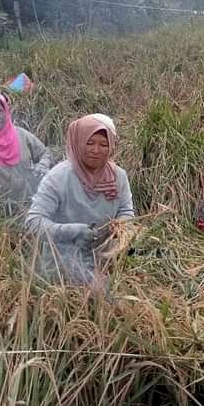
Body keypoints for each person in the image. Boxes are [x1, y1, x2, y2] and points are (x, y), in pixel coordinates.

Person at [25, 115, 134, 290]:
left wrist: (120, 228)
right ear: (78, 141)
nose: (96, 150)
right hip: (62, 262)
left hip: (105, 258)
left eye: (104, 145)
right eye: (90, 143)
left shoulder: (118, 176)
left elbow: (126, 212)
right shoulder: (58, 177)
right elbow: (33, 223)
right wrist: (71, 231)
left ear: (111, 147)